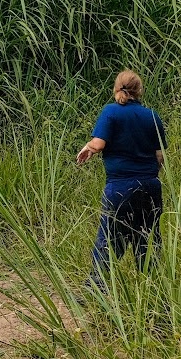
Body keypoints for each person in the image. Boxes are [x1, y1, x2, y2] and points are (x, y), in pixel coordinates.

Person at [76, 70, 166, 290]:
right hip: (150, 186)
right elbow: (160, 156)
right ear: (140, 90)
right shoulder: (152, 115)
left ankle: (97, 288)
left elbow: (98, 144)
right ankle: (151, 288)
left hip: (120, 186)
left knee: (109, 237)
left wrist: (87, 149)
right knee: (147, 237)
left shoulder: (111, 112)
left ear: (116, 89)